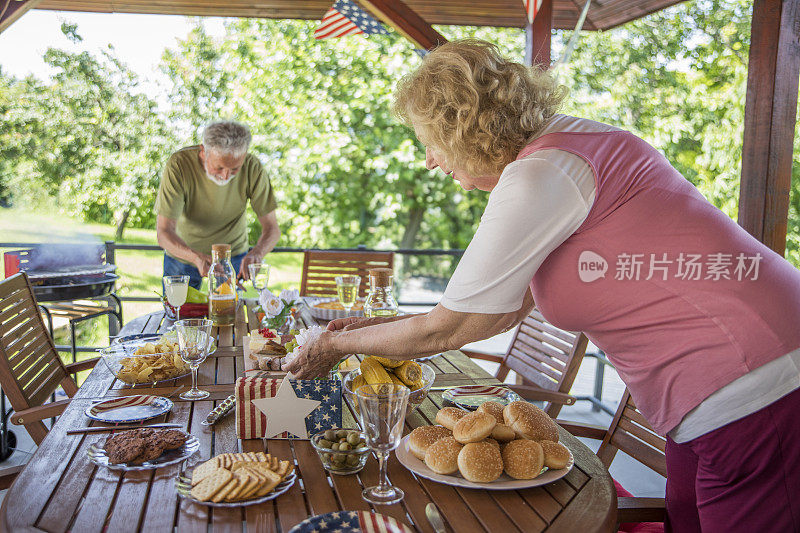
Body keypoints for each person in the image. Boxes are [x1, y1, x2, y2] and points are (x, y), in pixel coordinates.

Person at [285, 40, 800, 532]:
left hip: (758, 375)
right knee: (688, 518)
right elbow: (499, 310)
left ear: (466, 129)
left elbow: (458, 324)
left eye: (430, 145)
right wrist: (374, 329)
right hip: (716, 389)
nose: (430, 162)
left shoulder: (543, 173)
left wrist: (332, 343)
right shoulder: (563, 153)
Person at [155, 120, 280, 289]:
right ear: (203, 152)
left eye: (235, 168)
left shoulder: (253, 167)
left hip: (233, 256)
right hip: (183, 255)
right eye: (219, 167)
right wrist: (195, 257)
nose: (226, 175)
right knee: (178, 313)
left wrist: (257, 253)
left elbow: (272, 228)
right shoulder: (179, 164)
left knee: (230, 314)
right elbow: (163, 233)